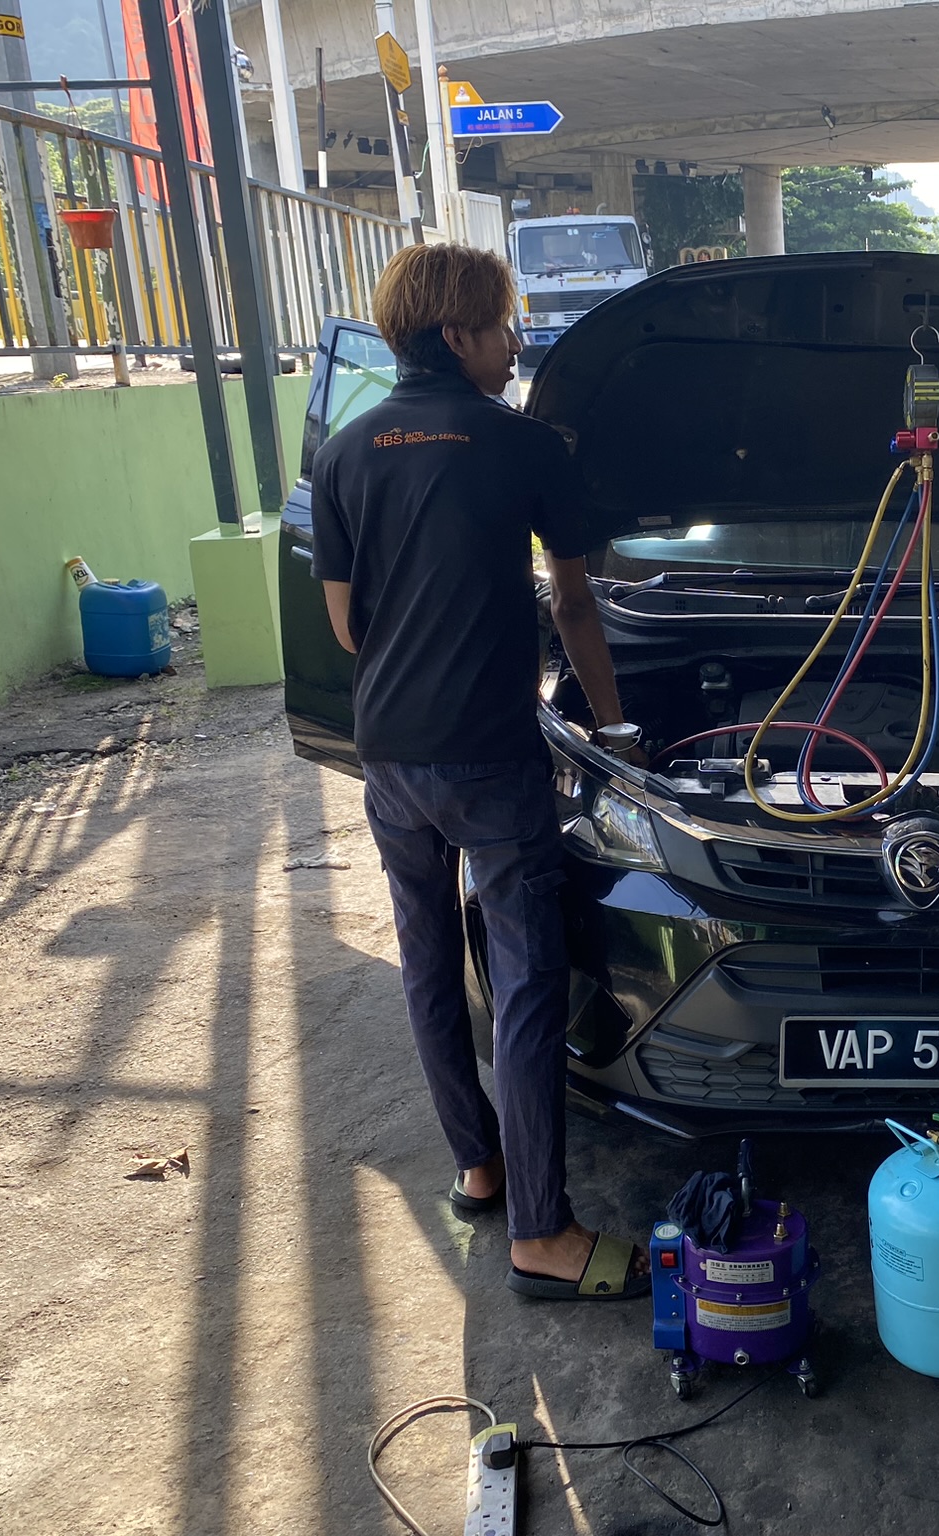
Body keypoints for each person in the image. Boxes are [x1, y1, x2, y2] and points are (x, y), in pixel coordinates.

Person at [309, 243, 648, 1301]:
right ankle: (543, 1235)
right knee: (524, 977)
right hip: (493, 761)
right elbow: (576, 605)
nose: (514, 346)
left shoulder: (347, 450)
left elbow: (348, 625)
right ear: (455, 332)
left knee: (422, 959)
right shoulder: (519, 444)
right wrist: (614, 723)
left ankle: (478, 1164)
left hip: (388, 756)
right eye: (504, 326)